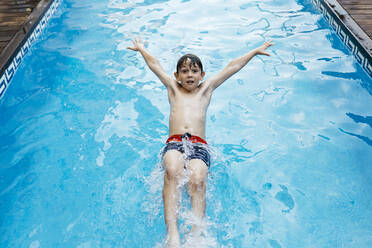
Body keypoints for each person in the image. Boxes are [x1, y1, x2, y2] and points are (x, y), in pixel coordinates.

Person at [127, 36, 273, 247]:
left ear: (202, 75)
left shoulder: (206, 89)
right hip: (175, 142)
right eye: (184, 71)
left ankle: (196, 234)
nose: (189, 75)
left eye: (194, 71)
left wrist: (254, 52)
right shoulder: (172, 88)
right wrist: (141, 49)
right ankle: (173, 235)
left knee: (198, 178)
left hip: (198, 145)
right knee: (172, 169)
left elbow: (232, 66)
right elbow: (155, 65)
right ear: (177, 76)